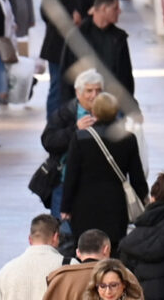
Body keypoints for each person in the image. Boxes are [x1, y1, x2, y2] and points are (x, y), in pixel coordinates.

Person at [44, 76, 148, 253]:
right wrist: (144, 201)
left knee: (86, 250)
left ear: (95, 113)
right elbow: (137, 176)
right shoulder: (127, 139)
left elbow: (72, 175)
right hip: (115, 206)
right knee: (113, 250)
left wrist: (66, 207)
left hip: (83, 206)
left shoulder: (81, 138)